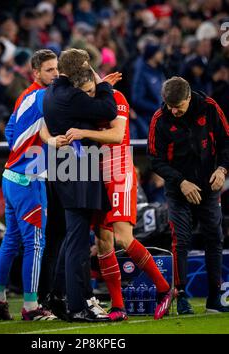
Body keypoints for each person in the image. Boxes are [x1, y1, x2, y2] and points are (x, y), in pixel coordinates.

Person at [65, 67, 174, 321]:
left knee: (124, 238)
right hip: (95, 173)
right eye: (84, 93)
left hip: (119, 171)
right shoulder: (84, 103)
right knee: (103, 241)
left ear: (95, 82)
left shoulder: (116, 98)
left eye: (91, 90)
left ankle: (164, 289)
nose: (89, 96)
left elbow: (116, 135)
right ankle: (118, 306)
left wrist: (83, 132)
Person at [0, 49, 67, 321]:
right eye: (49, 70)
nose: (56, 74)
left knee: (11, 241)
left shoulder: (25, 96)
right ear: (35, 73)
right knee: (34, 244)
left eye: (57, 68)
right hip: (28, 180)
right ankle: (31, 307)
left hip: (10, 176)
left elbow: (10, 130)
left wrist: (22, 151)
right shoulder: (46, 96)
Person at [44, 48, 117, 322]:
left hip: (62, 168)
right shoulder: (71, 96)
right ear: (80, 69)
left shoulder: (52, 92)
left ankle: (60, 296)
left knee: (71, 238)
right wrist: (104, 84)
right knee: (76, 241)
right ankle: (77, 306)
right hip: (78, 168)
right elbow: (108, 109)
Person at [147, 76, 229, 314]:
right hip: (177, 189)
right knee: (180, 239)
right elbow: (155, 160)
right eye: (170, 106)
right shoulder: (159, 119)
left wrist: (222, 169)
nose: (174, 111)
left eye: (178, 107)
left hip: (209, 186)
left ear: (189, 97)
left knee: (214, 238)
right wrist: (181, 182)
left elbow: (226, 142)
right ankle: (181, 296)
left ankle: (215, 298)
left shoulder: (210, 108)